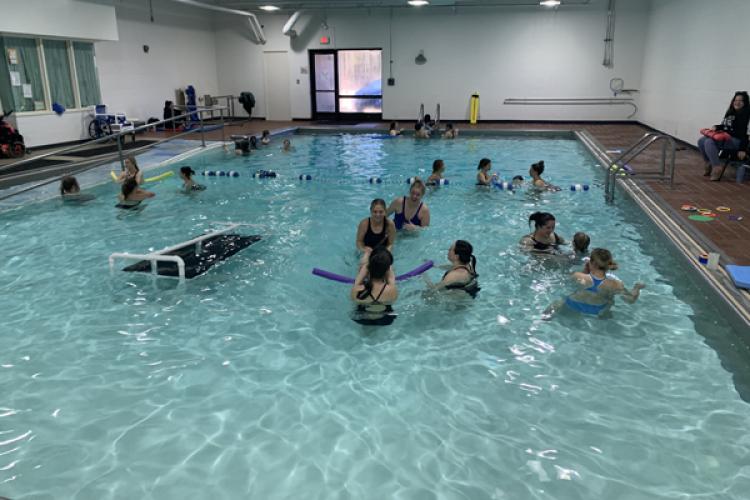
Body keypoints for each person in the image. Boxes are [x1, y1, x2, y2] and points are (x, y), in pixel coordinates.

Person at [547, 248, 645, 317]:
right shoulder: (615, 284)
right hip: (595, 310)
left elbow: (564, 285)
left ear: (591, 263)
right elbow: (630, 300)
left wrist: (584, 271)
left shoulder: (578, 276)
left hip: (573, 304)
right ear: (608, 265)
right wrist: (637, 288)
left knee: (560, 301)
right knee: (610, 300)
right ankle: (604, 316)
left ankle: (543, 318)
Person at [699, 91, 750, 181]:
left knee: (709, 141)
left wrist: (742, 149)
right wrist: (717, 127)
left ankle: (717, 167)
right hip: (726, 138)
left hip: (737, 141)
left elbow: (747, 134)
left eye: (741, 101)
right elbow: (725, 126)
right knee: (701, 140)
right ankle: (708, 163)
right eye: (736, 100)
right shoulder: (730, 112)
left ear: (745, 103)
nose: (737, 102)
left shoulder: (747, 115)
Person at [351, 248, 398, 326]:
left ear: (368, 269)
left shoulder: (357, 290)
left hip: (362, 319)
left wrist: (363, 268)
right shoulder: (391, 290)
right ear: (387, 270)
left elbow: (357, 282)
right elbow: (391, 278)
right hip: (385, 320)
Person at [356, 198, 396, 265]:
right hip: (367, 252)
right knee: (364, 262)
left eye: (381, 212)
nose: (378, 215)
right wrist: (363, 249)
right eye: (375, 212)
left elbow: (390, 243)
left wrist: (386, 253)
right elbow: (359, 242)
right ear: (371, 211)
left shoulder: (390, 224)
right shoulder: (364, 224)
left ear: (385, 211)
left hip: (382, 252)